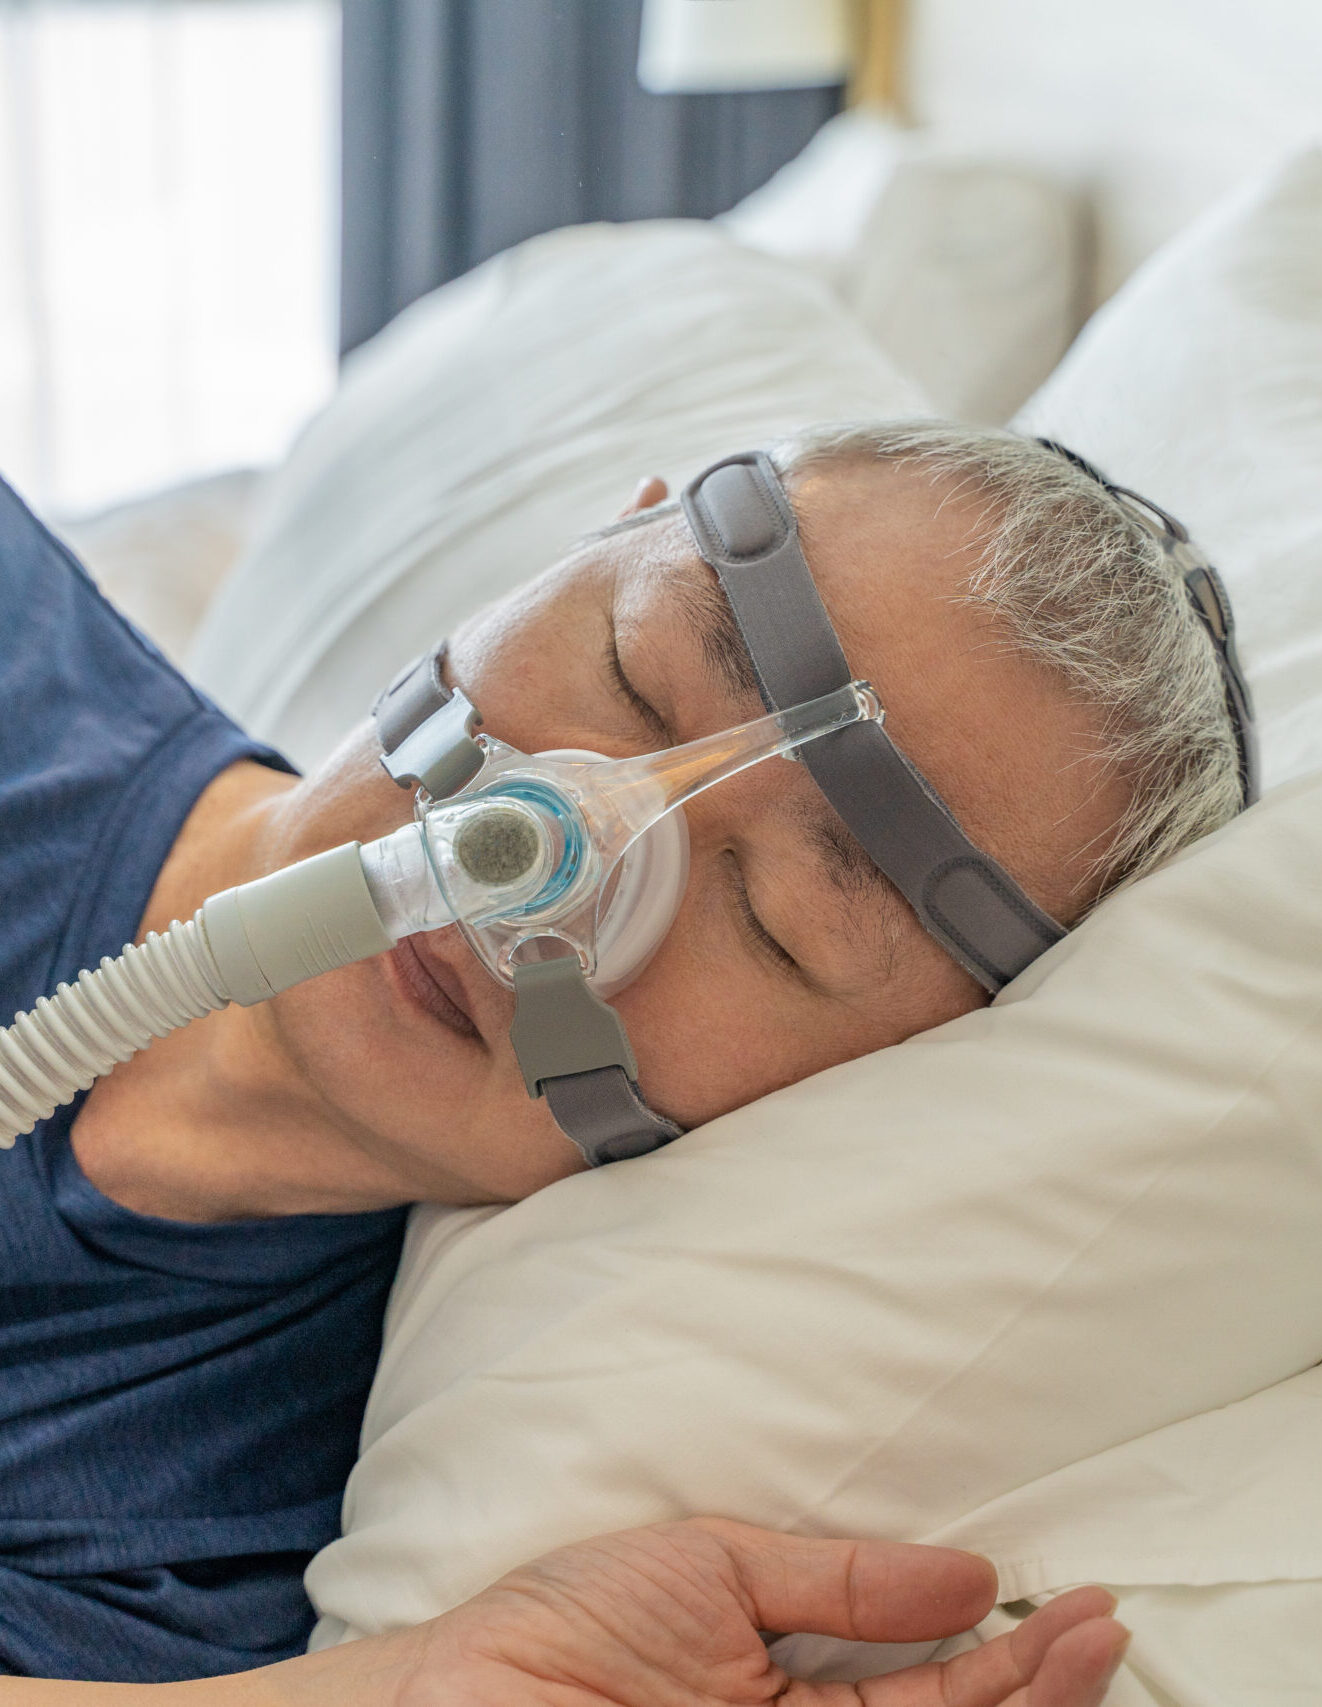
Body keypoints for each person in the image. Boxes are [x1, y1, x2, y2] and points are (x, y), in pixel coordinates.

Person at [0, 419, 1240, 1689]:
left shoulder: (196, 1562)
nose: (550, 858)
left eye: (775, 928)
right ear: (588, 539)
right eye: (634, 673)